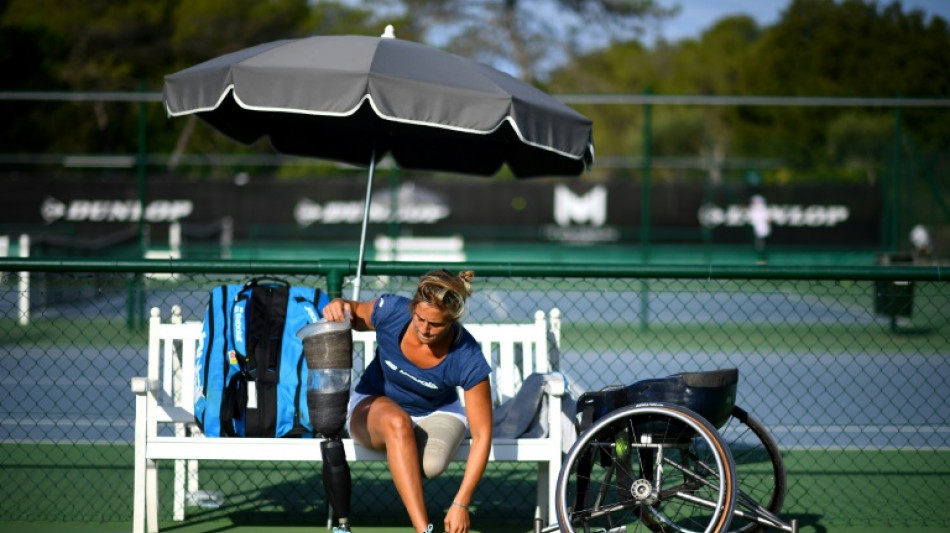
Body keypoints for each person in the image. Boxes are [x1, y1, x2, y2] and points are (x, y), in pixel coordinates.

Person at [322, 270, 493, 533]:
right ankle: (423, 529)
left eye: (435, 325)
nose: (424, 329)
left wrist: (461, 503)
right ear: (412, 306)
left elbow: (482, 437)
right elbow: (354, 313)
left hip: (438, 410)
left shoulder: (468, 356)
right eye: (420, 318)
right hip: (374, 401)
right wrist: (340, 305)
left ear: (452, 321)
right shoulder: (390, 310)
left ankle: (403, 443)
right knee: (398, 424)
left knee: (431, 465)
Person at [747, 195, 771, 263]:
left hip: (762, 230)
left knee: (761, 243)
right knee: (759, 243)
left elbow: (769, 219)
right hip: (757, 230)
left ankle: (763, 258)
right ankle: (762, 258)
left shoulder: (763, 209)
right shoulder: (753, 210)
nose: (754, 203)